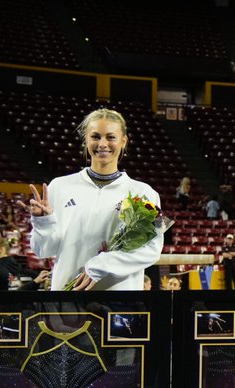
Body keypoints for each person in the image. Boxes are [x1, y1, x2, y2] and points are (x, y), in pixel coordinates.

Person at [28, 108, 164, 291]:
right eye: (95, 136)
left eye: (110, 137)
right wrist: (42, 223)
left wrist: (101, 265)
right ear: (86, 140)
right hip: (68, 297)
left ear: (123, 141)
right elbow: (43, 250)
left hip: (120, 300)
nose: (102, 143)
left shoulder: (144, 193)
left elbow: (151, 250)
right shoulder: (59, 187)